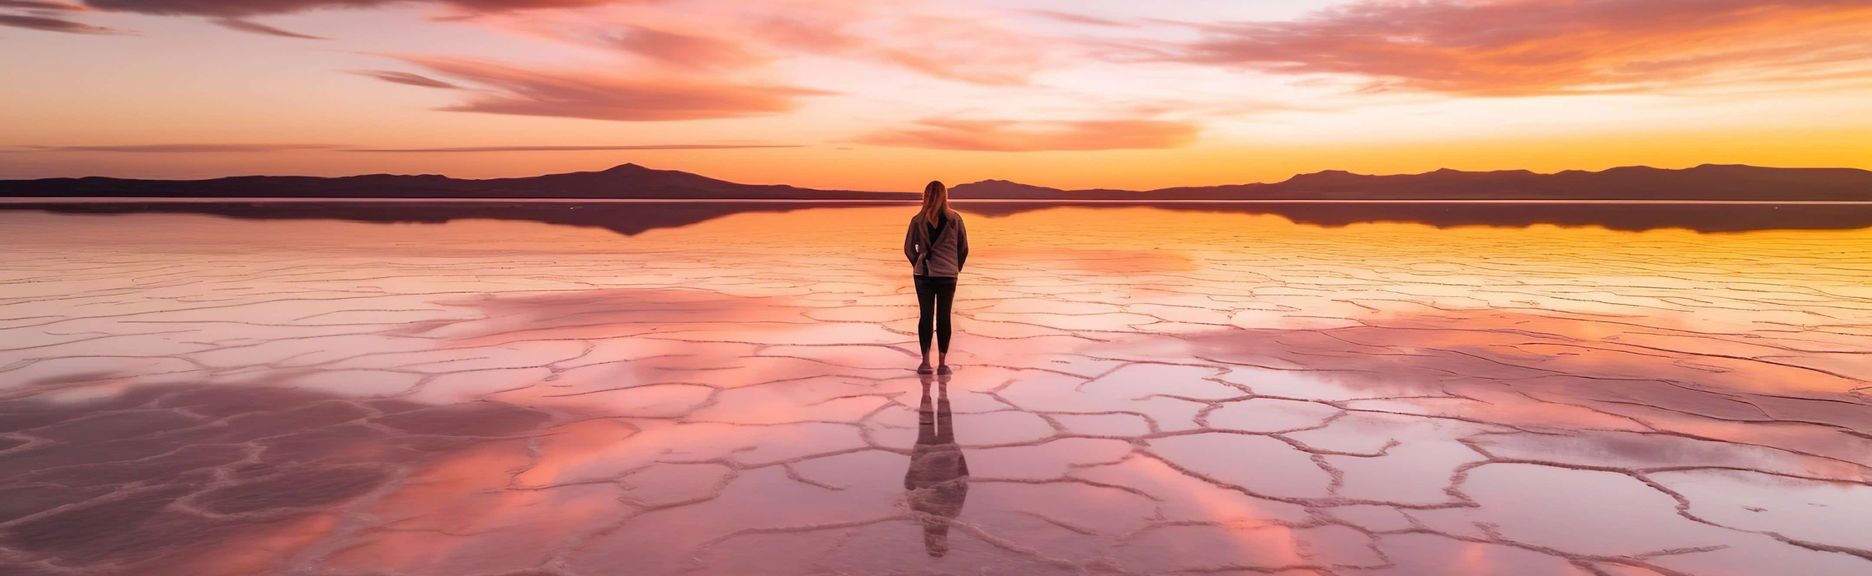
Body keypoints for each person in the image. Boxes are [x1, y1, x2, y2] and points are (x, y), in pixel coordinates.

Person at [903, 180, 969, 375]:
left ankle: (925, 362)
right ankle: (942, 363)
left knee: (926, 316)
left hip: (924, 275)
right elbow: (963, 248)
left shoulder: (917, 220)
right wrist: (954, 267)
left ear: (925, 196)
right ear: (945, 196)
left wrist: (919, 262)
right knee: (943, 317)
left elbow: (908, 249)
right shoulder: (955, 219)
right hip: (948, 276)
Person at [904, 372, 968, 557]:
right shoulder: (938, 513)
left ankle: (938, 391)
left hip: (941, 457)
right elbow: (909, 485)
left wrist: (960, 458)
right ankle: (932, 391)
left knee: (940, 420)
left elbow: (962, 483)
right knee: (930, 421)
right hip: (938, 457)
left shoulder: (949, 513)